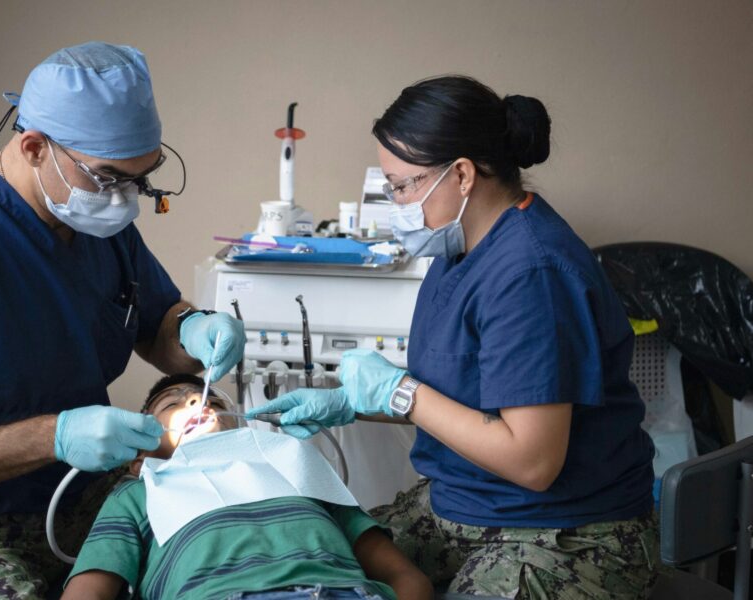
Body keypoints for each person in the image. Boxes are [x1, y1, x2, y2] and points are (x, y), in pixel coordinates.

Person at [0, 42, 245, 599]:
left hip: (79, 493)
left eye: (141, 178)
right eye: (109, 178)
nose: (126, 199)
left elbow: (158, 328)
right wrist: (51, 437)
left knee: (230, 550)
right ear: (33, 147)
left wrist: (196, 327)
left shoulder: (96, 225)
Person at [249, 75, 659, 599]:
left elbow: (533, 463)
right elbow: (460, 395)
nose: (395, 202)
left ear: (462, 174)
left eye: (401, 185)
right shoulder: (462, 248)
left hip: (563, 533)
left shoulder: (532, 273)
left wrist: (400, 392)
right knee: (308, 556)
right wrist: (350, 402)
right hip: (464, 504)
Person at [62, 374, 433, 600]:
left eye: (210, 398)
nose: (196, 400)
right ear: (139, 454)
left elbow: (403, 576)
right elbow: (90, 591)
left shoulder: (295, 466)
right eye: (172, 403)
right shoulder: (139, 492)